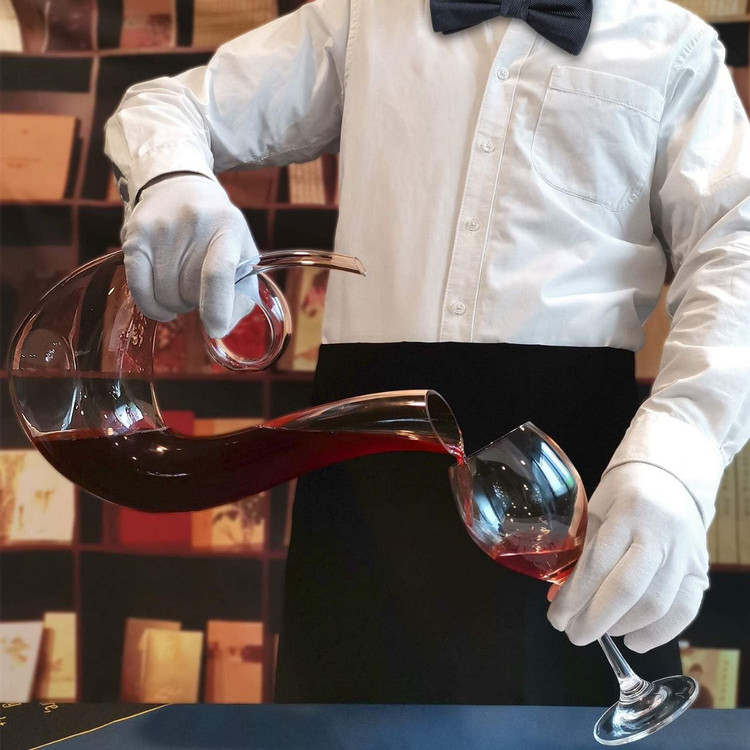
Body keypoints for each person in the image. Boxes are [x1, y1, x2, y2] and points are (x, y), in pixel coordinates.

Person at [103, 0, 750, 705]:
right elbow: (165, 106)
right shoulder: (363, 17)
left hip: (573, 464)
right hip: (366, 459)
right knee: (345, 723)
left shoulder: (674, 47)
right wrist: (171, 179)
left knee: (569, 723)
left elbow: (736, 248)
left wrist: (679, 453)